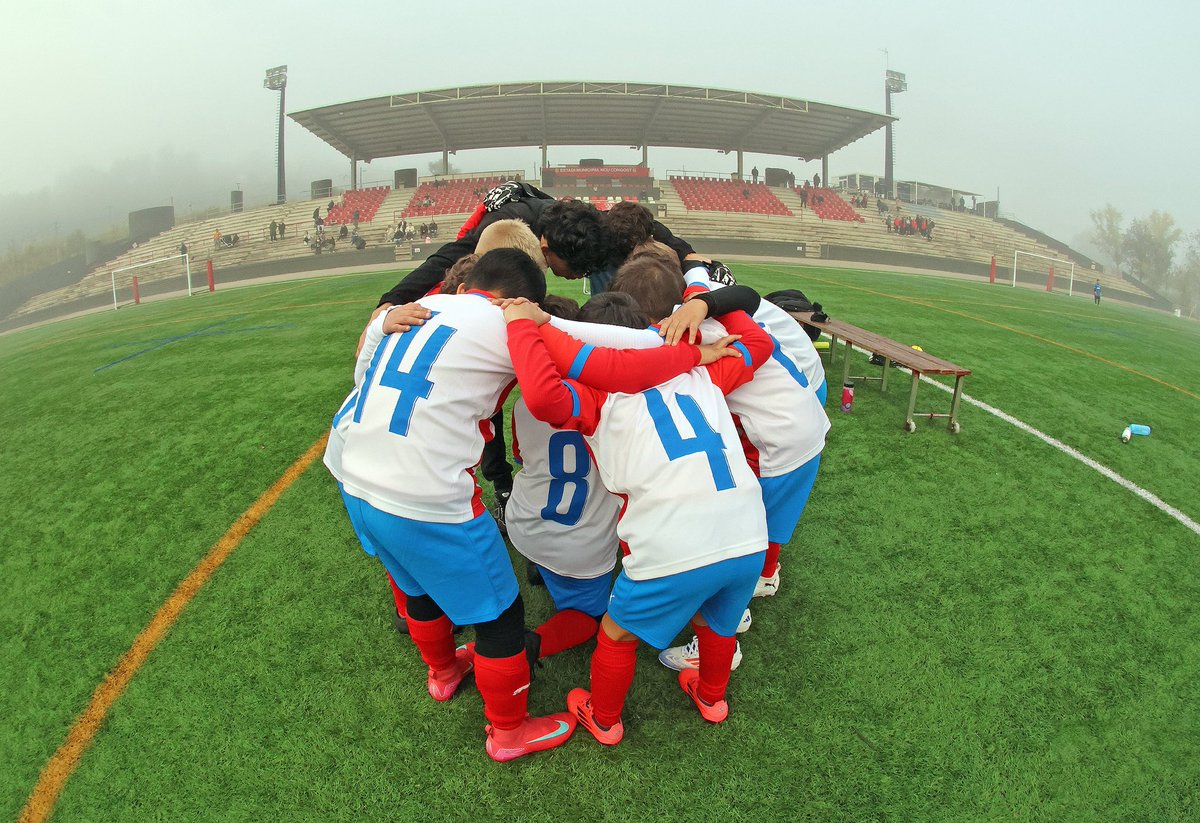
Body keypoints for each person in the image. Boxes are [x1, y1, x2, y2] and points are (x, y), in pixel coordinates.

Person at [501, 265, 773, 746]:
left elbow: (543, 397)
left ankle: (604, 718)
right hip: (750, 529)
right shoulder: (704, 373)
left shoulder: (598, 395)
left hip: (671, 539)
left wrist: (526, 327)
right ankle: (712, 697)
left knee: (615, 633)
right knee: (719, 621)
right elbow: (758, 342)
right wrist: (700, 299)